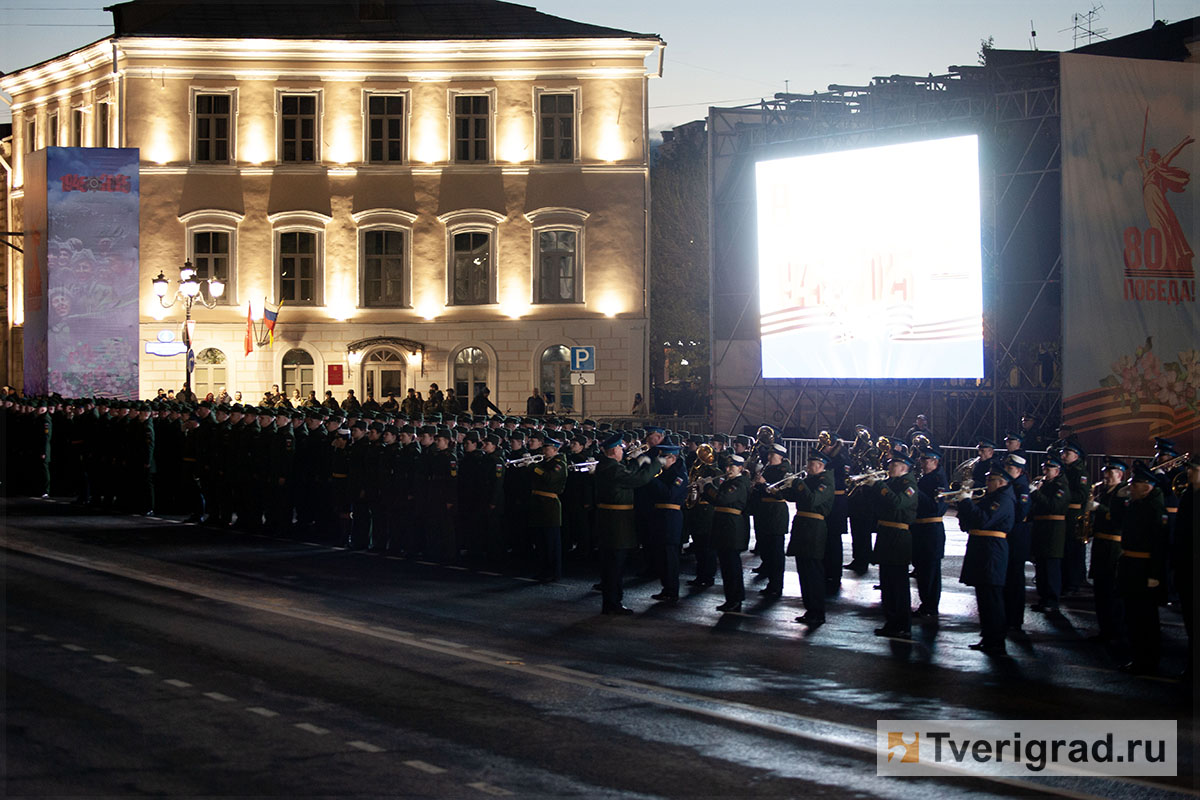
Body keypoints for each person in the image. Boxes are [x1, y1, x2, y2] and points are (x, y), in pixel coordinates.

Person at [594, 432, 662, 615]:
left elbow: (628, 471)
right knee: (615, 566)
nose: (623, 451)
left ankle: (612, 601)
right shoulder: (612, 468)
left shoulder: (607, 466)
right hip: (617, 524)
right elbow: (638, 479)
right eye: (621, 448)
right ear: (615, 450)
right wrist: (657, 464)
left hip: (610, 522)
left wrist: (639, 461)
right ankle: (613, 602)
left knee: (611, 564)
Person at [954, 464, 1015, 655]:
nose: (987, 483)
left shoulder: (1003, 499)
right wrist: (964, 506)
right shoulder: (992, 497)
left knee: (992, 598)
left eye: (991, 480)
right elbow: (968, 523)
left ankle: (996, 639)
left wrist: (966, 503)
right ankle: (988, 636)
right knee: (984, 596)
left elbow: (982, 519)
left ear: (1001, 482)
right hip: (983, 548)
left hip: (992, 550)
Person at [1117, 466, 1168, 674]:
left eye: (1134, 484)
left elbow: (1159, 544)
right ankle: (1138, 657)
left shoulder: (1154, 509)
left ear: (1146, 487)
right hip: (1132, 565)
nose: (1130, 487)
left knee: (1145, 618)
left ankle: (1148, 659)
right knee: (1133, 615)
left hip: (1144, 567)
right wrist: (1119, 499)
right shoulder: (1137, 504)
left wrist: (1155, 574)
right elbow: (1120, 520)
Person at [780, 451, 835, 627]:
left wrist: (798, 483)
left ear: (820, 465)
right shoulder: (810, 480)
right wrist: (782, 488)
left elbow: (812, 500)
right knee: (803, 571)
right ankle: (809, 609)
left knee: (813, 571)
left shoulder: (825, 481)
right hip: (803, 526)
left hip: (814, 527)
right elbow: (792, 497)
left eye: (811, 464)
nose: (807, 467)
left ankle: (817, 611)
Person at [868, 450, 918, 638]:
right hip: (886, 534)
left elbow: (897, 503)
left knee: (898, 584)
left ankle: (903, 624)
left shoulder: (909, 485)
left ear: (904, 467)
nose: (889, 467)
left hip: (899, 535)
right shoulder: (891, 483)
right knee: (886, 582)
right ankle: (891, 621)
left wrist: (879, 486)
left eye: (893, 465)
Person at [704, 452, 751, 613]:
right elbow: (716, 500)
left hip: (732, 528)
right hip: (724, 527)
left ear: (740, 468)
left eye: (732, 466)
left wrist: (708, 486)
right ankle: (730, 598)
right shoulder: (730, 482)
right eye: (727, 466)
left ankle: (735, 599)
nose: (728, 469)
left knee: (732, 567)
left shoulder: (739, 483)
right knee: (726, 566)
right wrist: (704, 488)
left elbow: (722, 499)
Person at [647, 445, 688, 602]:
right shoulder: (665, 474)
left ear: (673, 458)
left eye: (664, 457)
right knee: (661, 555)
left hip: (671, 517)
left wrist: (652, 480)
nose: (661, 461)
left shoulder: (679, 475)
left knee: (670, 556)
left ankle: (672, 590)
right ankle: (666, 587)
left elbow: (670, 494)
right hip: (660, 516)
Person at [1030, 457, 1070, 614]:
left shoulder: (1061, 487)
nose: (1045, 472)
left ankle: (1052, 601)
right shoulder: (1045, 484)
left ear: (1057, 471)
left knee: (1051, 566)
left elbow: (1053, 506)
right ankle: (1043, 598)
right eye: (1044, 469)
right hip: (1041, 527)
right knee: (1041, 566)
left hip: (1053, 529)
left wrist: (1036, 494)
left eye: (1049, 470)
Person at [911, 448, 948, 618]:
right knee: (922, 569)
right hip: (920, 529)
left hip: (931, 530)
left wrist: (915, 491)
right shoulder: (926, 478)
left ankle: (930, 606)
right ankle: (926, 604)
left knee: (930, 572)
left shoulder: (939, 481)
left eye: (927, 461)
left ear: (935, 462)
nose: (923, 463)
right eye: (922, 460)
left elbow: (936, 508)